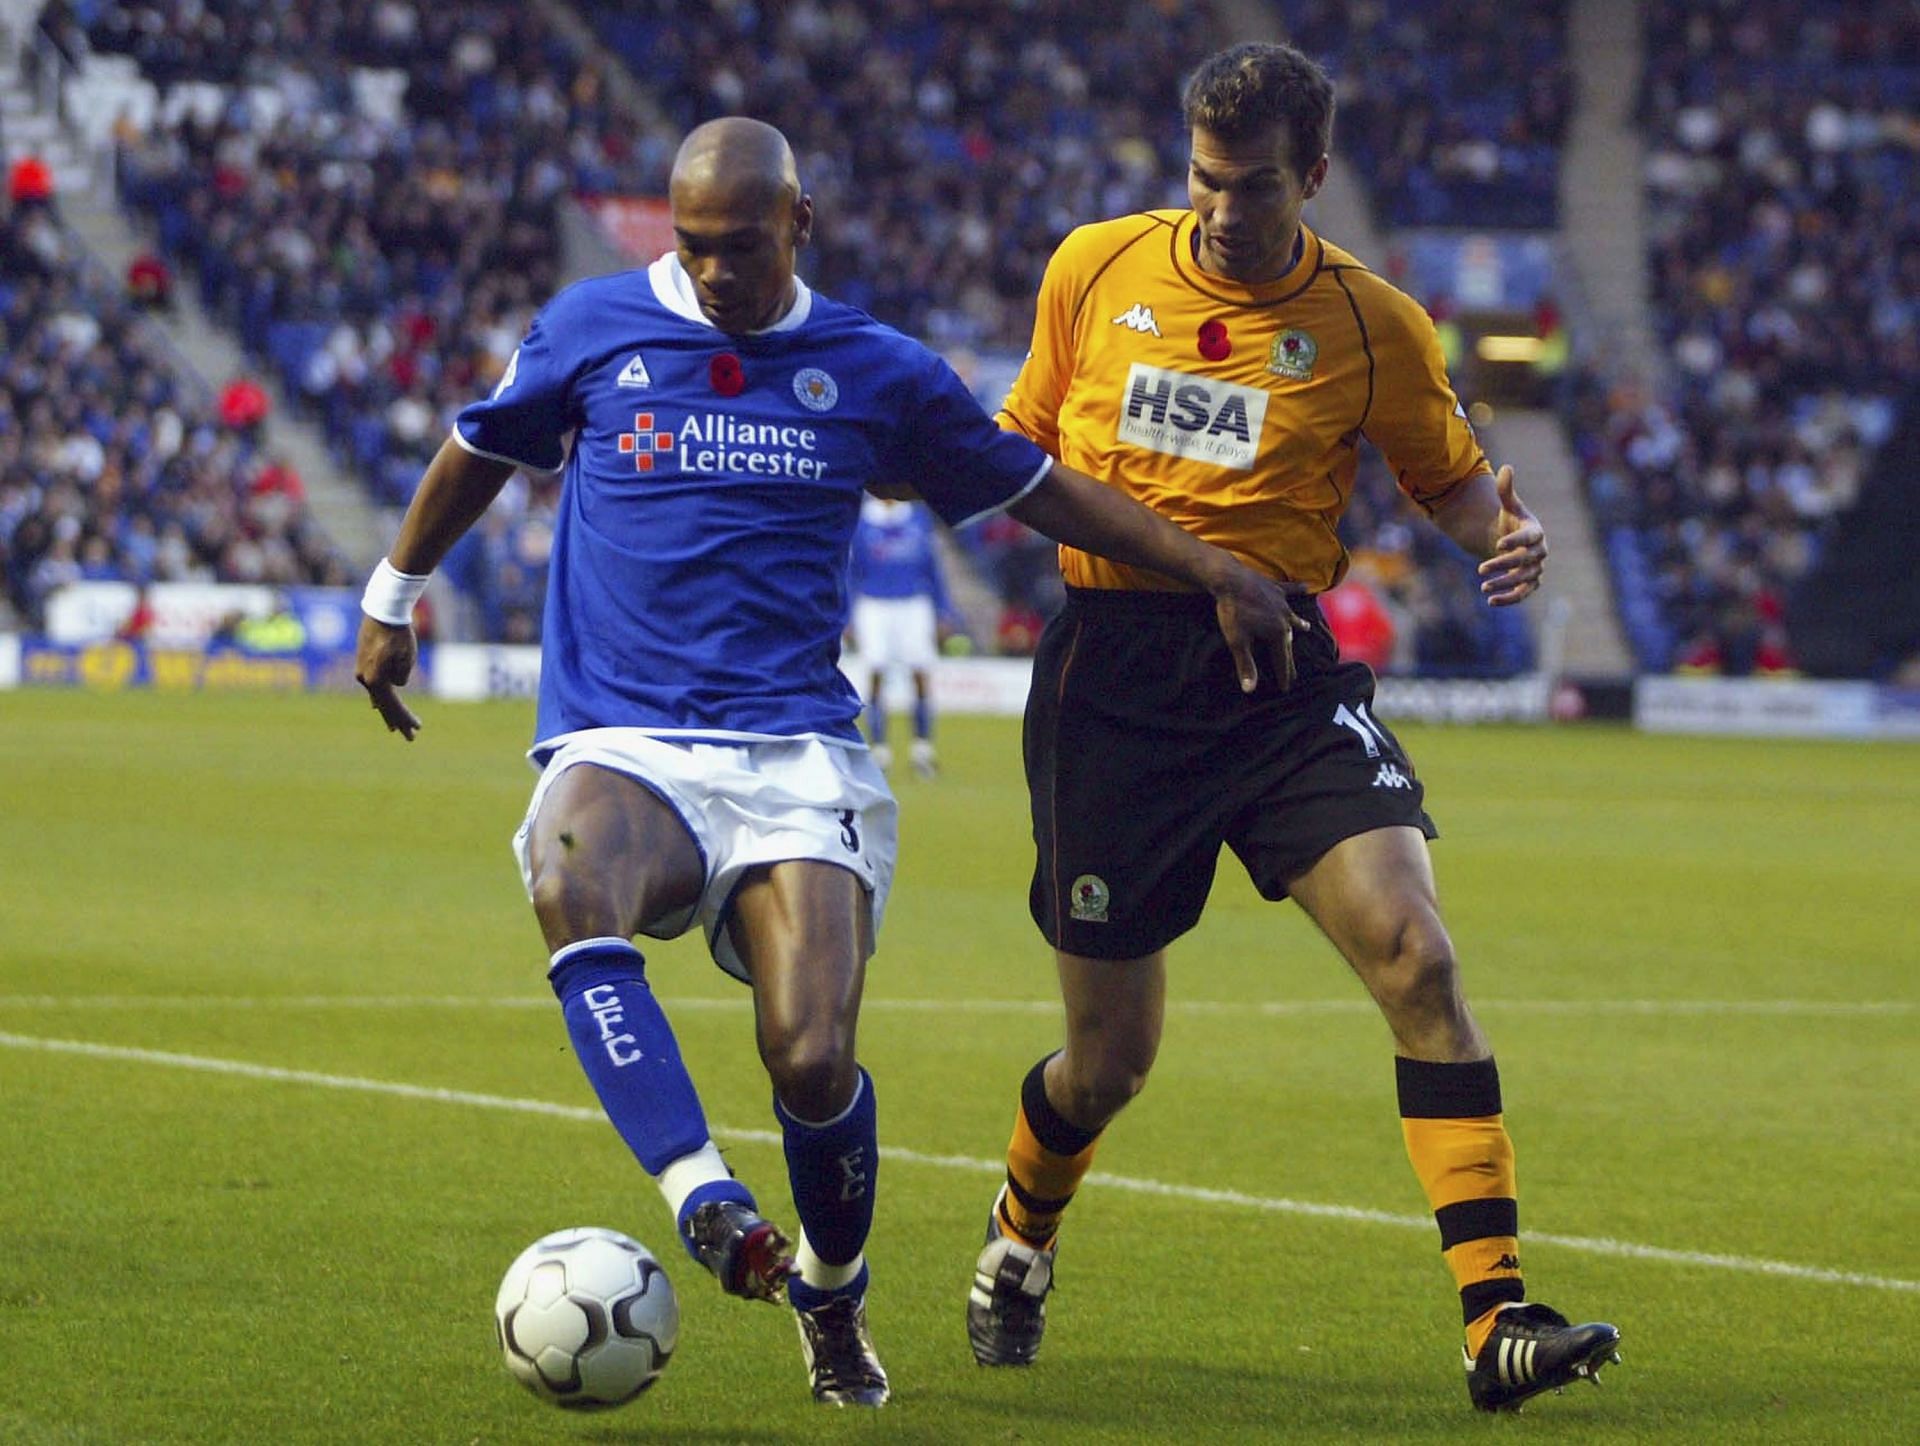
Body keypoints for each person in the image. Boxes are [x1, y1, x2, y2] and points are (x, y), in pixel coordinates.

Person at [354, 117, 1305, 1411]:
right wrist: (394, 592)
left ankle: (832, 1290)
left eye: (739, 249)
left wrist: (1208, 567)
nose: (713, 274)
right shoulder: (590, 327)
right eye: (692, 249)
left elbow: (1038, 487)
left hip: (797, 750)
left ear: (800, 225)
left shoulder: (875, 370)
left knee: (810, 1057)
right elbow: (480, 446)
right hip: (627, 733)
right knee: (571, 871)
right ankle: (706, 1199)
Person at [963, 43, 1621, 1414]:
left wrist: (1506, 532)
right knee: (1110, 1061)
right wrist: (1205, 568)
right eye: (1204, 180)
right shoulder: (1094, 267)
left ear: (1313, 178)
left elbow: (1451, 481)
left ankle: (1495, 1316)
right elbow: (1016, 468)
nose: (1219, 209)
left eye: (1253, 186)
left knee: (1416, 951)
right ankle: (1020, 1235)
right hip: (1117, 683)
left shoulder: (1375, 322)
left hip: (1281, 680)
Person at [848, 494, 954, 776]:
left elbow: (932, 566)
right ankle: (879, 749)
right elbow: (851, 571)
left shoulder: (917, 516)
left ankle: (922, 749)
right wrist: (846, 616)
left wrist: (943, 609)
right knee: (875, 671)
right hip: (873, 603)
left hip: (914, 601)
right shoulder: (862, 520)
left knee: (920, 671)